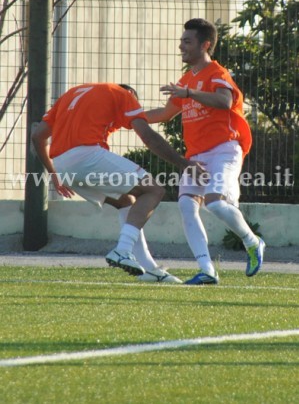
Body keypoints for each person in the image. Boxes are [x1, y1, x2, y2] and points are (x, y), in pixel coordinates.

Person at [32, 82, 205, 284]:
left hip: (62, 165)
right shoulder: (123, 95)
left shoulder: (72, 94)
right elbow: (148, 137)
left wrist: (53, 173)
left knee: (126, 200)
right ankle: (122, 250)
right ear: (131, 94)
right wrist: (184, 164)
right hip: (86, 156)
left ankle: (149, 269)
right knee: (154, 190)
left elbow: (37, 136)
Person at [145, 18, 266, 285]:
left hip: (224, 149)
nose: (181, 46)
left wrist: (188, 93)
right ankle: (207, 270)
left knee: (215, 203)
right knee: (187, 205)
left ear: (205, 45)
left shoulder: (217, 74)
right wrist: (130, 116)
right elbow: (166, 114)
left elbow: (224, 101)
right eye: (182, 41)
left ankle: (252, 241)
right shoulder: (186, 79)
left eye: (187, 41)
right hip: (196, 156)